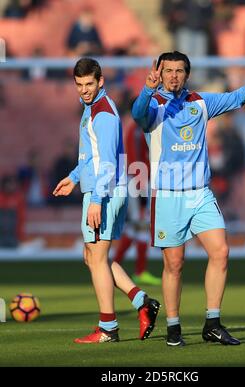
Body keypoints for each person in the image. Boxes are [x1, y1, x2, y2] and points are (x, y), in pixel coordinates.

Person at [132, 51, 245, 346]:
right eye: (168, 70)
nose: (173, 75)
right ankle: (173, 328)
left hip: (200, 193)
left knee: (221, 252)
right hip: (168, 197)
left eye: (179, 71)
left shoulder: (200, 102)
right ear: (159, 74)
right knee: (175, 264)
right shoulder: (153, 105)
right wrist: (147, 89)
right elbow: (138, 115)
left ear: (187, 74)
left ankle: (212, 323)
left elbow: (235, 98)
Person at [53, 58, 160, 344]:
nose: (84, 90)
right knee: (93, 257)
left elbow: (109, 163)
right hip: (102, 190)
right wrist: (74, 177)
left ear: (101, 81)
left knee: (97, 258)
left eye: (89, 84)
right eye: (79, 85)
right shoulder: (92, 109)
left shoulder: (103, 113)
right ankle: (142, 302)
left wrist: (97, 200)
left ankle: (108, 328)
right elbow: (92, 155)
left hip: (106, 192)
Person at [113, 121, 161, 286]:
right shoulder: (136, 130)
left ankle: (116, 266)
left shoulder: (137, 128)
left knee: (136, 226)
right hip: (138, 179)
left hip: (141, 178)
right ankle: (138, 271)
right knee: (141, 223)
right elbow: (134, 157)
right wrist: (140, 185)